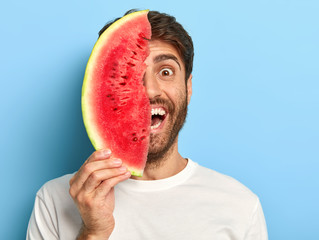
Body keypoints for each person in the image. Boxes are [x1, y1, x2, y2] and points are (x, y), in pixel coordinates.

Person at [27, 10, 268, 240]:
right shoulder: (55, 199)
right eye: (128, 76)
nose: (149, 91)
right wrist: (93, 233)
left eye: (165, 71)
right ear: (104, 88)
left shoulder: (240, 206)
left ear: (189, 87)